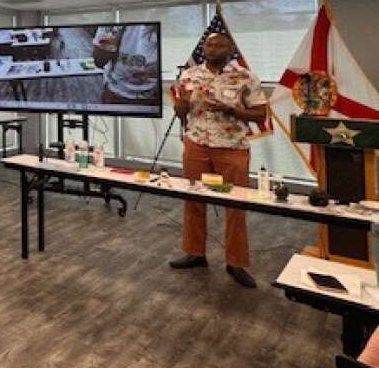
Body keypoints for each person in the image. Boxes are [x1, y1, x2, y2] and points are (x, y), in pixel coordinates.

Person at [169, 33, 268, 288]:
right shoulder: (189, 75)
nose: (213, 48)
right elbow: (182, 113)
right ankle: (195, 253)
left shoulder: (246, 76)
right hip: (197, 143)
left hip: (232, 146)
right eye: (209, 44)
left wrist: (232, 110)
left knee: (235, 205)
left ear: (230, 48)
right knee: (194, 199)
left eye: (219, 44)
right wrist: (181, 102)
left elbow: (260, 114)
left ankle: (236, 263)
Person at [92, 24, 161, 105]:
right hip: (114, 93)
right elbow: (99, 62)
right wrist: (110, 43)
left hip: (154, 96)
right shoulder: (112, 20)